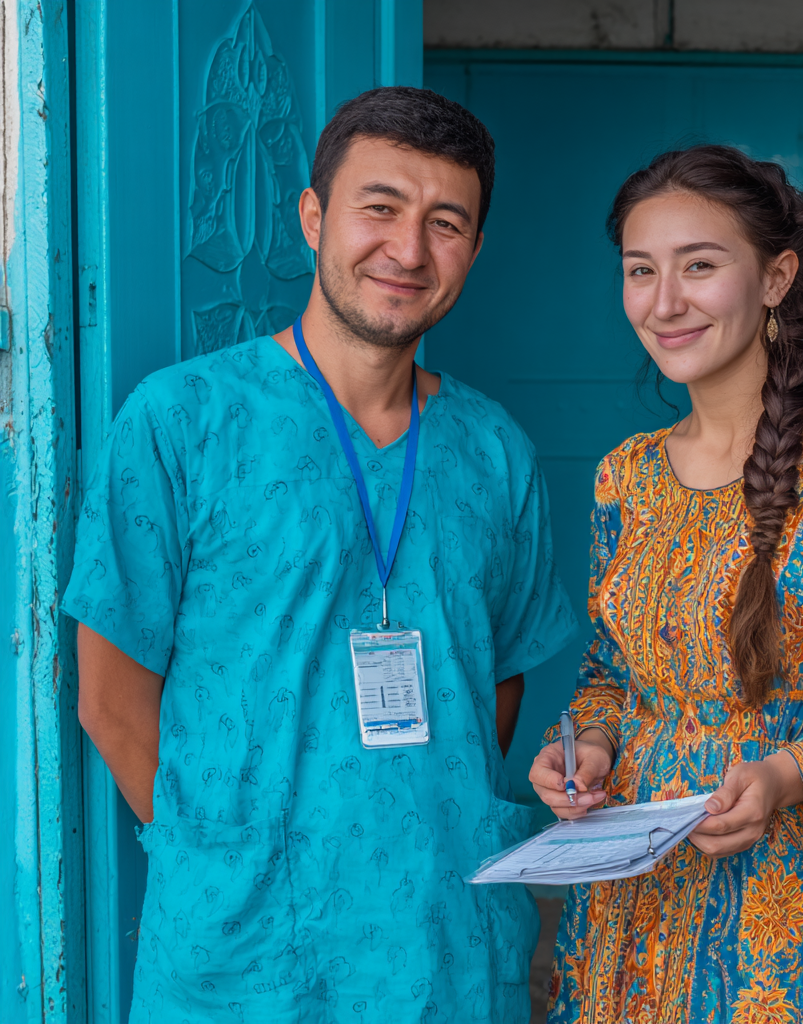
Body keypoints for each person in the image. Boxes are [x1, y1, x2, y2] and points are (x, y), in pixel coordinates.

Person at [67, 86, 577, 1023]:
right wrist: (225, 854)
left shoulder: (494, 449)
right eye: (378, 207)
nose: (409, 249)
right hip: (243, 959)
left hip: (446, 948)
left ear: (472, 249)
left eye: (446, 222)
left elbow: (494, 682)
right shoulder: (182, 420)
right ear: (313, 217)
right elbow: (111, 697)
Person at [529, 145, 803, 1023]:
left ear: (775, 277)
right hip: (633, 904)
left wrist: (782, 775)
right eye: (640, 271)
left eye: (700, 266)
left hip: (793, 923)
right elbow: (612, 672)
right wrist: (585, 747)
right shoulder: (626, 477)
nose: (664, 303)